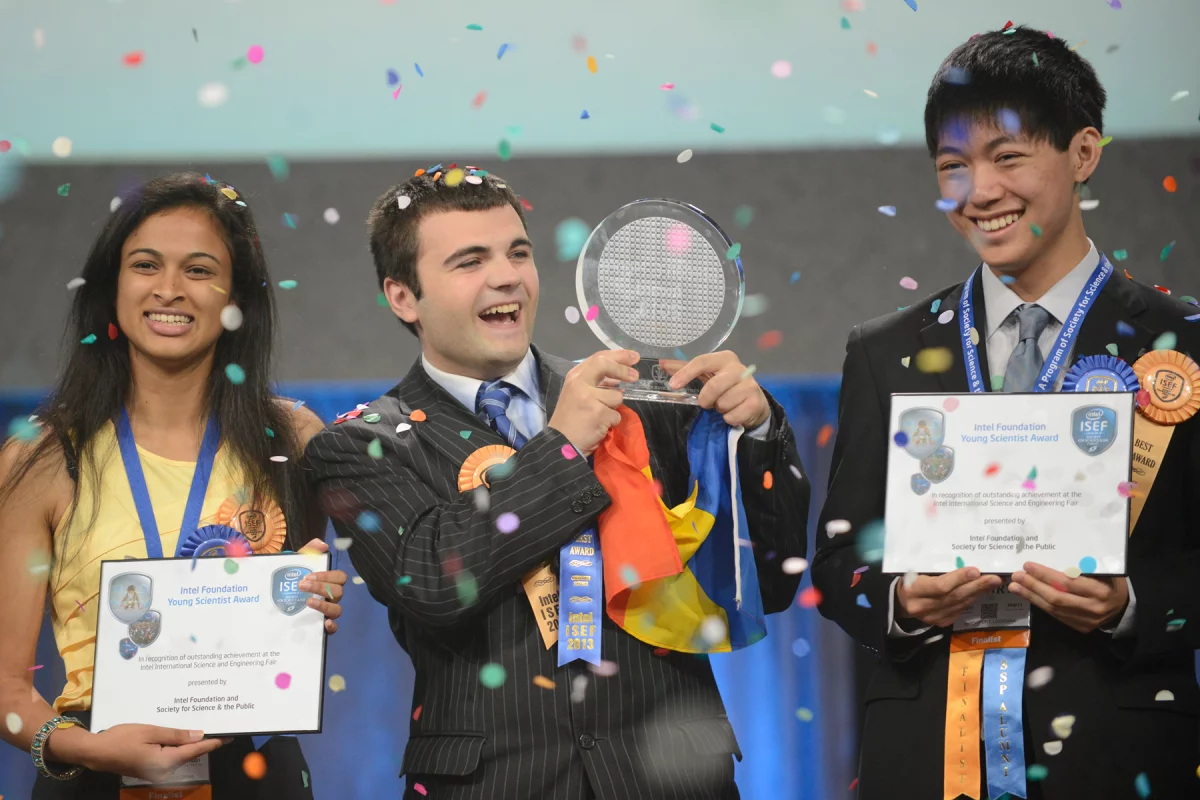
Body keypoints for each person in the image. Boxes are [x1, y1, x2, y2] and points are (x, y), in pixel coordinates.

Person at [304, 165, 810, 799]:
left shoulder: (641, 401)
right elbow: (434, 583)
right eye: (469, 261)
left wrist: (758, 432)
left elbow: (768, 579)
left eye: (518, 251)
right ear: (403, 296)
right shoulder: (359, 444)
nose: (506, 275)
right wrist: (562, 446)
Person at [812, 27, 1200, 800]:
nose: (979, 191)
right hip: (925, 757)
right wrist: (900, 599)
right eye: (954, 167)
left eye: (1008, 157)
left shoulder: (1179, 345)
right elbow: (839, 558)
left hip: (1119, 756)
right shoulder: (884, 350)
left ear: (1084, 153)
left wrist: (1133, 606)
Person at [0, 173, 348, 798]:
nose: (168, 289)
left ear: (236, 294)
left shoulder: (291, 437)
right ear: (112, 287)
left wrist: (311, 601)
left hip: (255, 773)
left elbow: (308, 603)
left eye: (198, 269)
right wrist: (85, 747)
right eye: (145, 265)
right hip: (95, 771)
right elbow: (5, 690)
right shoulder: (45, 455)